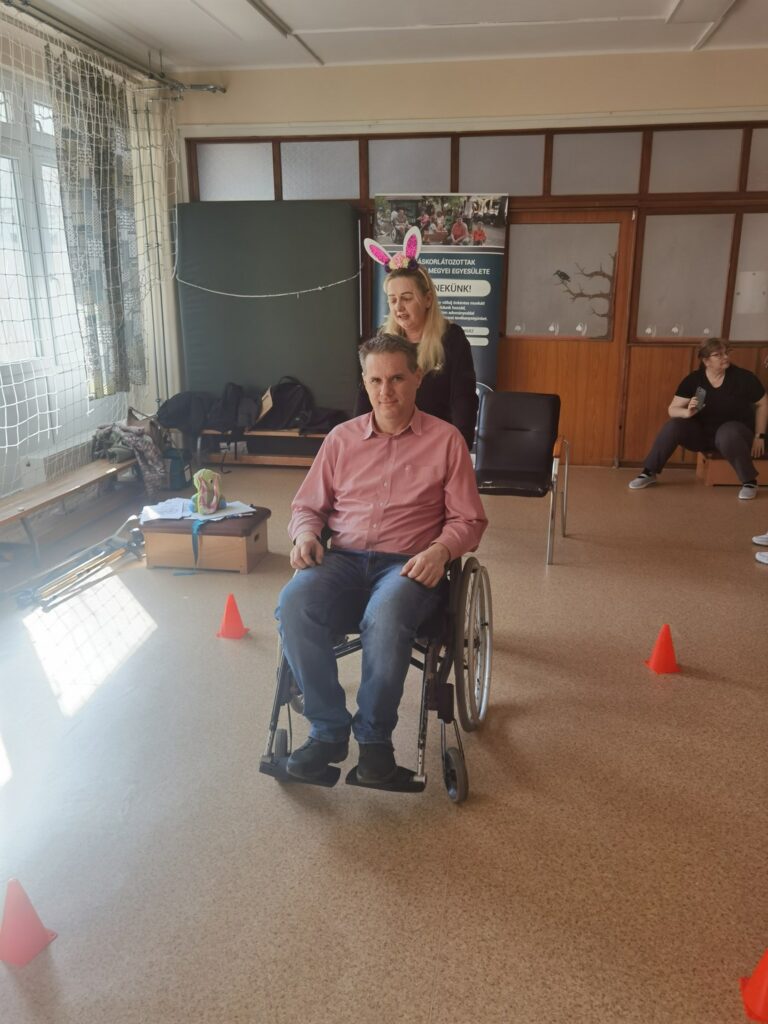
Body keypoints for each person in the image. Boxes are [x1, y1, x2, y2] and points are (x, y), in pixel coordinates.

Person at [276, 334, 488, 785]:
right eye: (375, 381)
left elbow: (469, 520)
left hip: (407, 564)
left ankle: (374, 741)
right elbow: (307, 506)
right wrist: (306, 535)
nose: (385, 391)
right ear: (364, 381)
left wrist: (440, 551)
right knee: (294, 602)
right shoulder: (341, 439)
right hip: (343, 559)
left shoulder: (446, 441)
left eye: (396, 379)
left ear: (417, 378)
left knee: (387, 614)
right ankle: (328, 731)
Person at [356, 229, 479, 449]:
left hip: (435, 444)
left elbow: (464, 400)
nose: (399, 307)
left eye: (406, 298)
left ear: (428, 299)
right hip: (387, 443)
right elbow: (365, 396)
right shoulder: (381, 339)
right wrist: (358, 442)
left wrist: (460, 447)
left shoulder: (452, 338)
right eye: (393, 300)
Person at [629, 338, 767, 499]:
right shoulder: (695, 380)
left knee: (727, 431)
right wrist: (687, 413)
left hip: (736, 436)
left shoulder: (743, 378)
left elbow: (763, 404)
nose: (725, 357)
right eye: (718, 355)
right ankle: (649, 472)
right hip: (704, 436)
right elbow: (672, 409)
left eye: (726, 353)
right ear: (706, 360)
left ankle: (750, 482)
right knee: (674, 425)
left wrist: (759, 436)